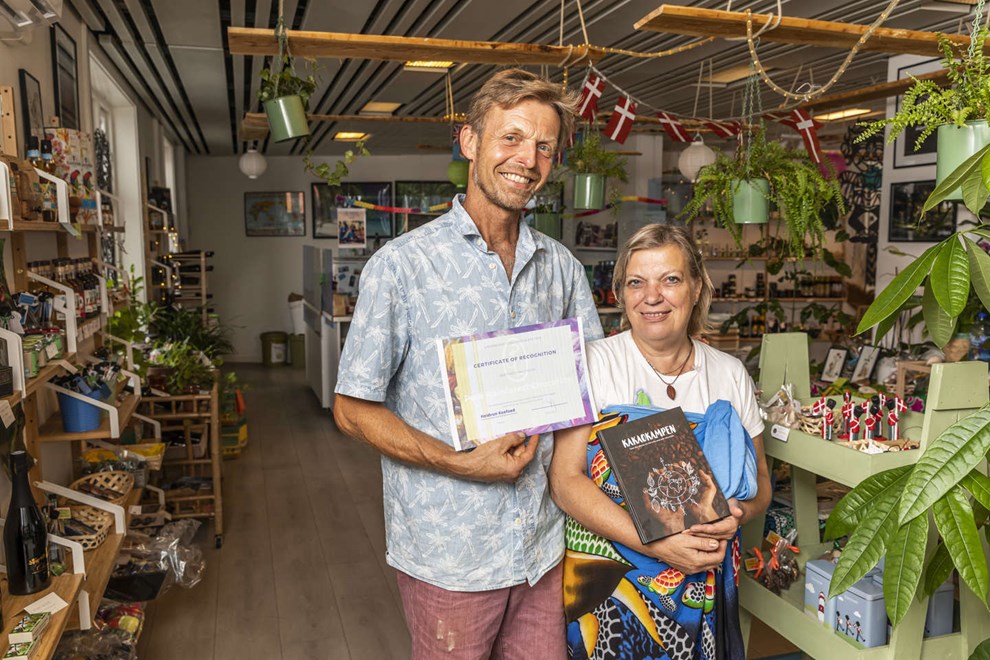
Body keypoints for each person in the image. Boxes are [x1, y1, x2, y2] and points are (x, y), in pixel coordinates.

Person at [333, 68, 604, 659]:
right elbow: (351, 409)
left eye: (543, 147)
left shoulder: (562, 270)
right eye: (510, 137)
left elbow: (587, 397)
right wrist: (461, 463)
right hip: (449, 555)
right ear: (470, 141)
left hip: (543, 547)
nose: (526, 159)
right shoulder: (402, 267)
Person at [548, 224, 771, 660]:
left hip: (704, 591)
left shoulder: (728, 373)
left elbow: (762, 479)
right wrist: (653, 542)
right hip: (610, 595)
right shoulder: (592, 364)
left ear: (696, 287)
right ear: (619, 293)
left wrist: (740, 512)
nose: (652, 296)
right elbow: (564, 481)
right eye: (637, 282)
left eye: (669, 279)